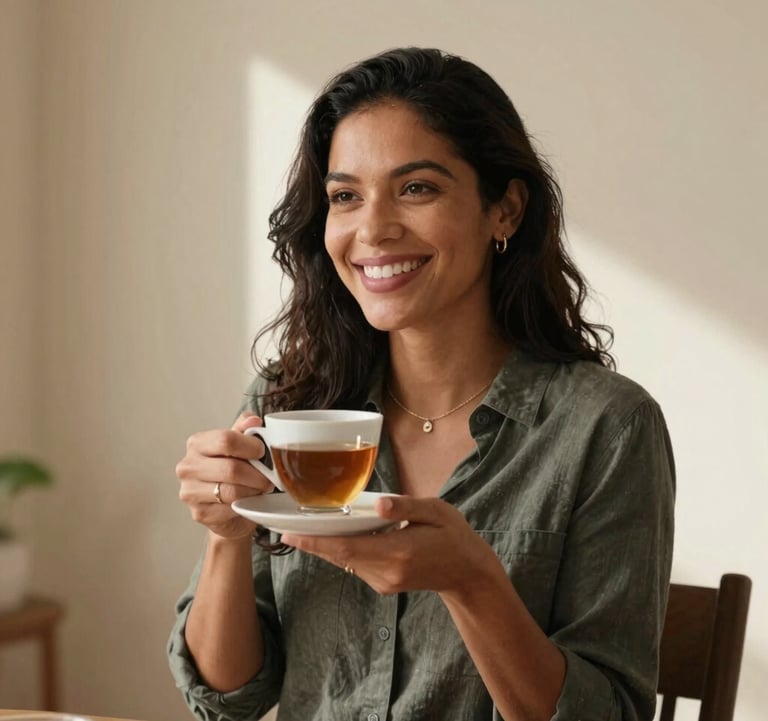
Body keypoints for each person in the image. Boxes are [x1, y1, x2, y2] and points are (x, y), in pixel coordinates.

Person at [168, 47, 675, 721]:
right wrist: (228, 533)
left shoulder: (606, 427)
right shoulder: (288, 405)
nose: (373, 229)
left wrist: (471, 582)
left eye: (417, 188)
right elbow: (228, 698)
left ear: (505, 210)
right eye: (345, 196)